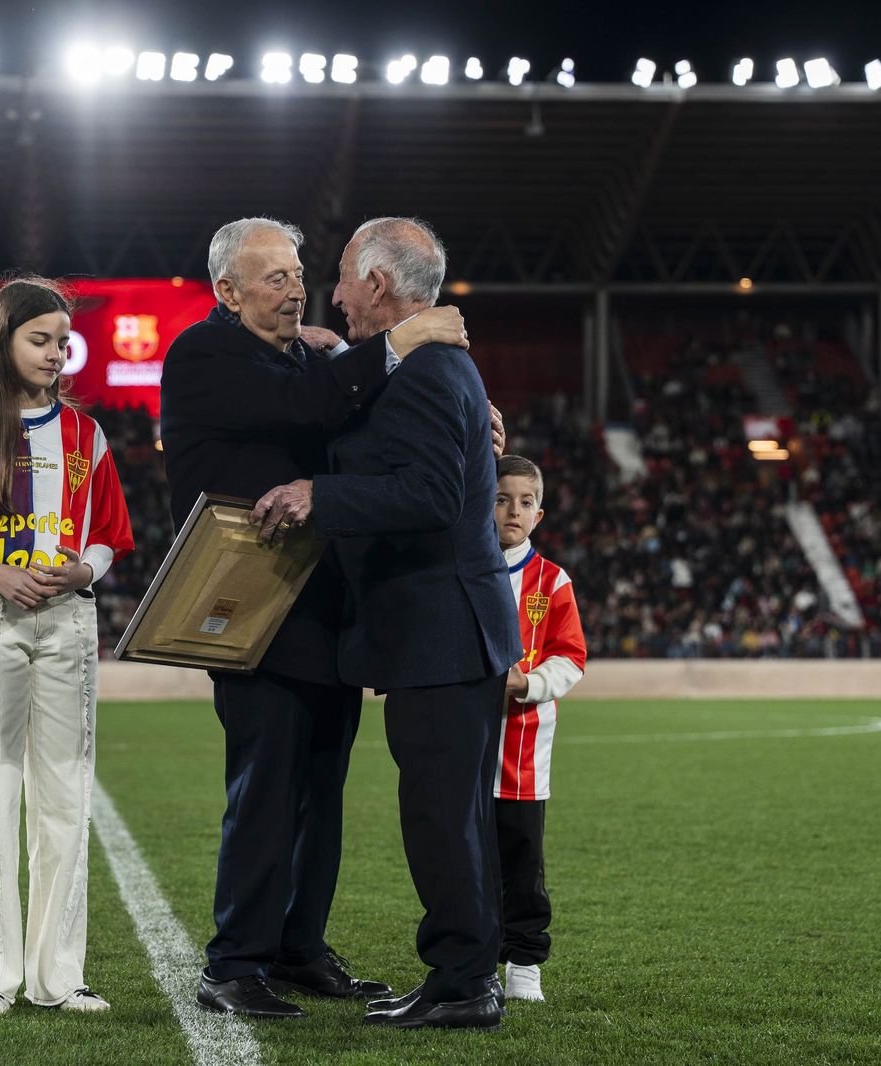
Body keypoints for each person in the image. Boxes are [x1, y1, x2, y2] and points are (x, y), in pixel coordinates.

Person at [160, 216, 469, 1020]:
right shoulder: (204, 354)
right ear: (226, 292)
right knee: (266, 786)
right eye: (275, 278)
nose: (296, 289)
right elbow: (309, 406)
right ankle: (234, 963)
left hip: (327, 606)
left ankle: (298, 947)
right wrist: (399, 344)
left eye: (298, 274)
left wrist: (474, 424)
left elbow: (360, 425)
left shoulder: (313, 356)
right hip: (250, 603)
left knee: (320, 788)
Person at [253, 216, 521, 1030]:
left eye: (340, 276)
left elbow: (433, 495)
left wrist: (319, 496)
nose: (330, 292)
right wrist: (332, 354)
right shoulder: (424, 367)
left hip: (441, 635)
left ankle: (463, 982)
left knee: (442, 818)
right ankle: (469, 973)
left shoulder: (434, 371)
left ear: (376, 283)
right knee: (456, 818)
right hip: (445, 633)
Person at [0, 278, 135, 1017]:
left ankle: (57, 975)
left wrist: (84, 570)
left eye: (63, 340)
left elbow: (108, 537)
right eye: (40, 338)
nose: (56, 352)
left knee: (65, 797)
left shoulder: (87, 434)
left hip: (69, 621)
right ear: (3, 340)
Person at [491, 454, 588, 1003]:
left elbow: (571, 658)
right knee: (469, 863)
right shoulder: (465, 569)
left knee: (522, 864)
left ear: (539, 514)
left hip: (524, 754)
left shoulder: (552, 581)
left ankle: (525, 962)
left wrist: (524, 684)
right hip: (465, 749)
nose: (513, 510)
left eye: (525, 501)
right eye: (502, 498)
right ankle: (475, 958)